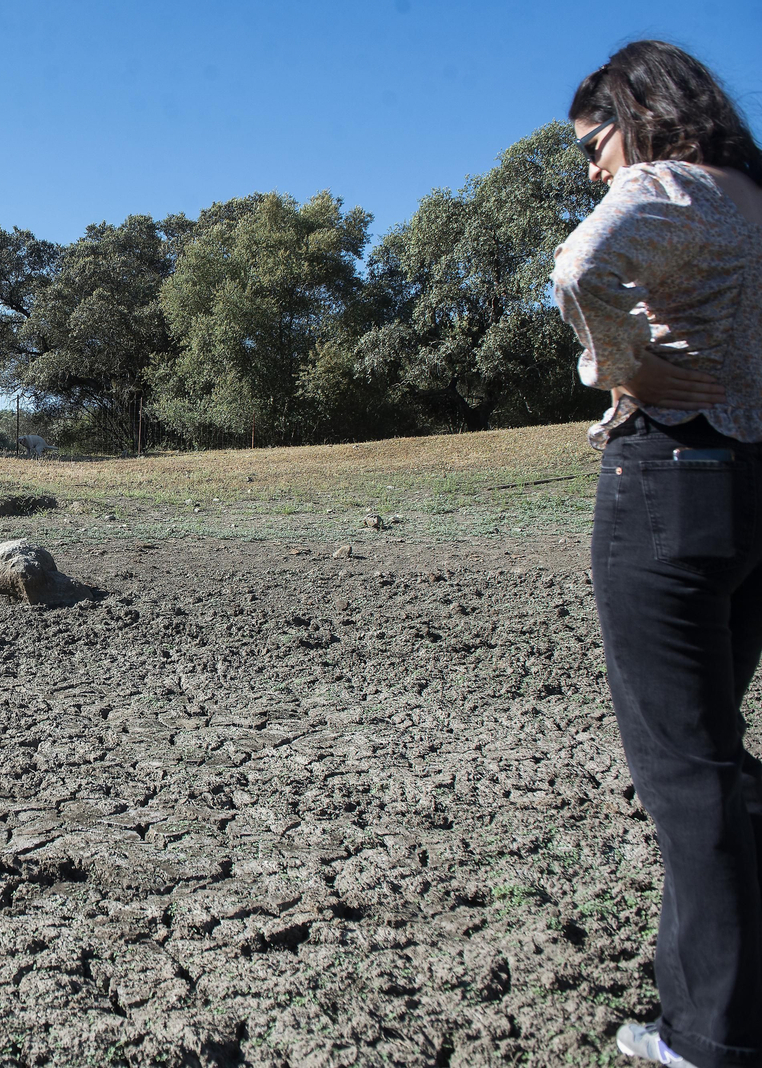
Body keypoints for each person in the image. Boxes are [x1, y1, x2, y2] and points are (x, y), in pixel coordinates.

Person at [553, 40, 762, 1068]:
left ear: (642, 113)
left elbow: (579, 266)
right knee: (714, 758)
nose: (595, 168)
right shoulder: (756, 199)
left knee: (685, 776)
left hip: (670, 483)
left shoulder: (666, 183)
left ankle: (708, 1040)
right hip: (755, 493)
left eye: (595, 140)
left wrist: (618, 365)